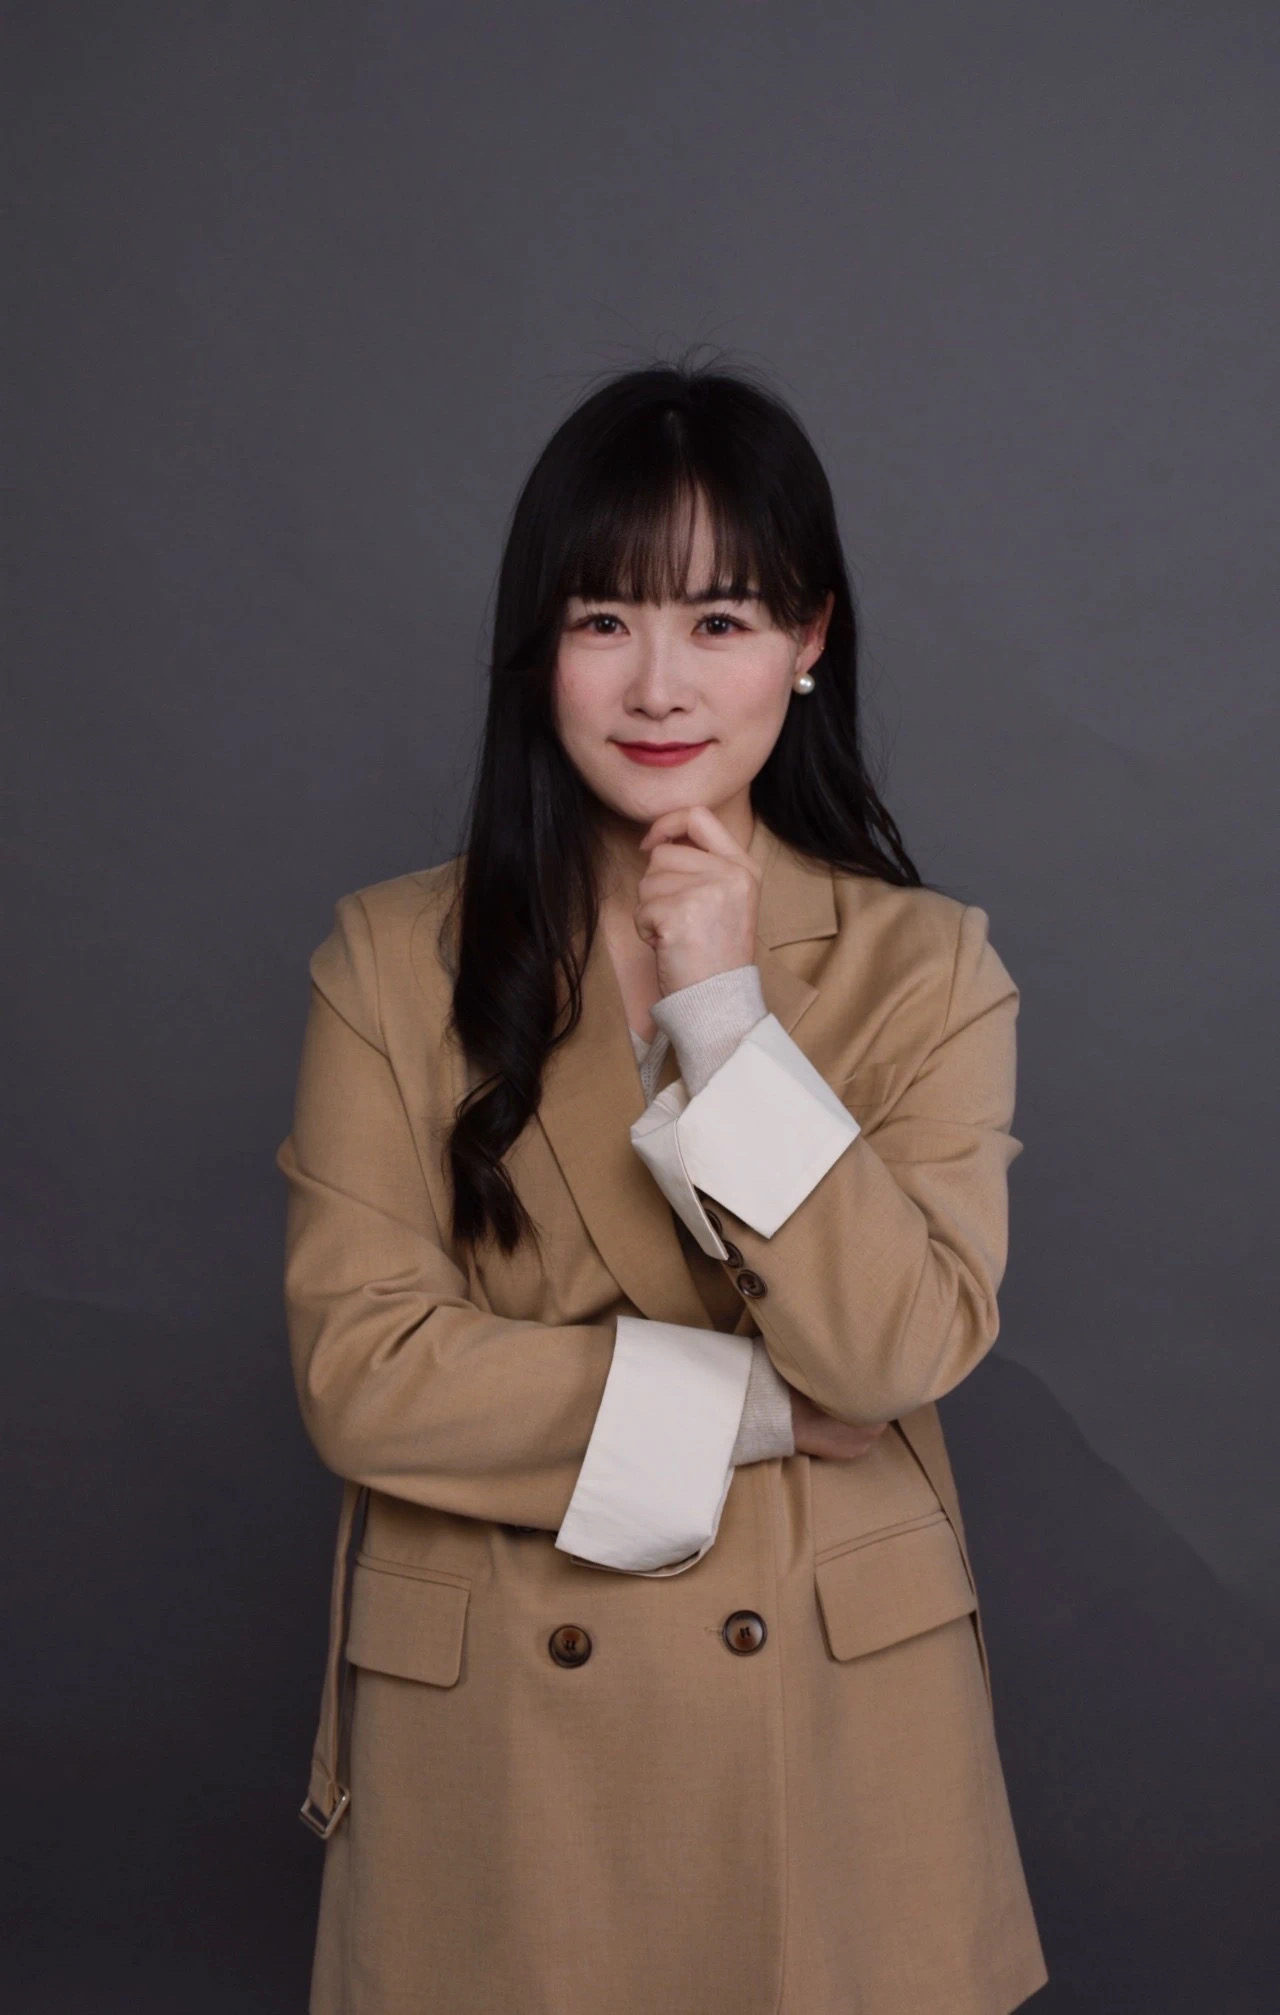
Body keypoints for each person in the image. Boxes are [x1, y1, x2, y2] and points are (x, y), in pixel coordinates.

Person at [274, 356, 1050, 2014]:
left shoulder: (928, 969)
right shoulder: (391, 960)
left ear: (809, 638)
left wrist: (724, 1017)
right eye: (603, 617)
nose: (658, 682)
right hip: (503, 1748)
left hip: (824, 1742)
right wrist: (753, 1407)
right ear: (537, 644)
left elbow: (896, 1352)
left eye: (721, 618)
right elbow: (365, 1373)